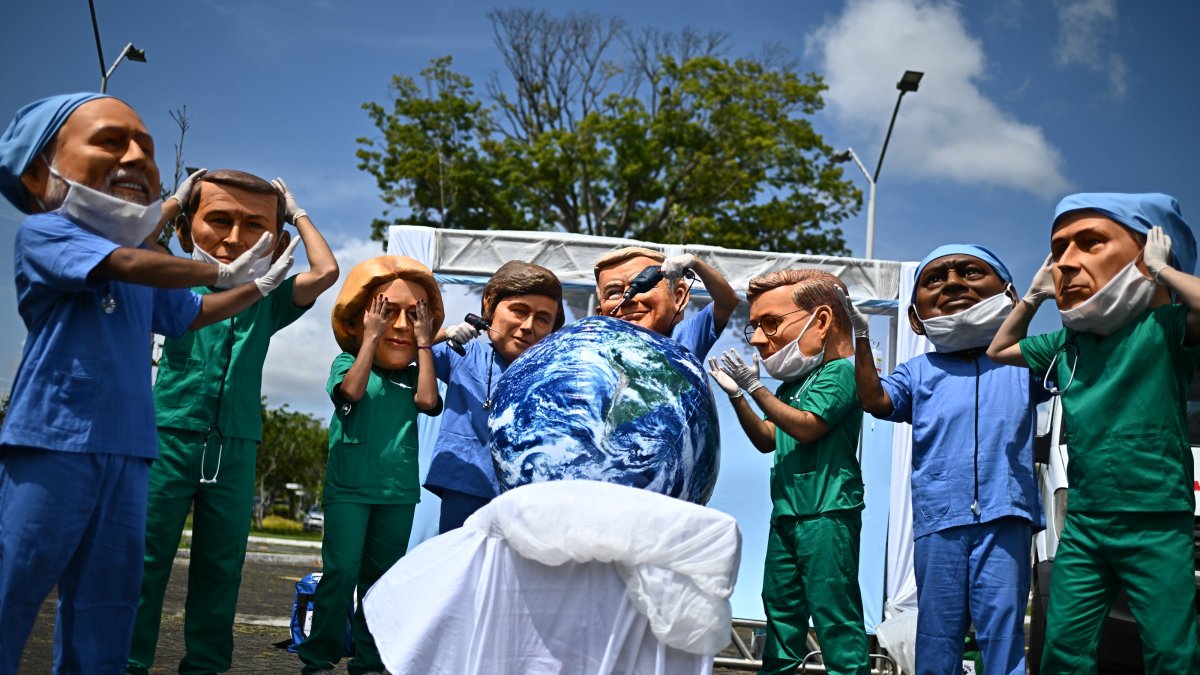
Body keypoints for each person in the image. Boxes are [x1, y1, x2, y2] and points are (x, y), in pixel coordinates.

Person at [0, 93, 297, 673]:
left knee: (107, 607)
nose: (136, 156)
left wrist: (252, 290)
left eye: (148, 149)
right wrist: (219, 267)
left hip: (132, 453)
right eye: (111, 142)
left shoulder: (140, 260)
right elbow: (128, 260)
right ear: (38, 172)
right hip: (54, 443)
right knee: (12, 591)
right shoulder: (47, 233)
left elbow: (190, 312)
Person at [126, 170, 339, 675]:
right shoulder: (173, 279)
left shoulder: (268, 296)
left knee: (221, 570)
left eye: (253, 227)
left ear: (277, 240)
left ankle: (205, 666)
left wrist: (297, 211)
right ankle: (127, 663)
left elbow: (326, 272)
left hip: (236, 444)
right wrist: (176, 200)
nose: (234, 239)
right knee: (144, 562)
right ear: (184, 232)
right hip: (167, 433)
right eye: (218, 220)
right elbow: (133, 240)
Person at [988, 193, 1200, 673]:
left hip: (1156, 519)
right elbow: (1001, 349)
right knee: (1063, 648)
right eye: (1058, 248)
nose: (1065, 262)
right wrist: (1034, 296)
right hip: (1085, 522)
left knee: (1171, 652)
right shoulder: (1067, 343)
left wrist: (1162, 271)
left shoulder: (1163, 328)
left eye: (1089, 242)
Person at [840, 245, 1044, 675]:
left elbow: (1086, 361)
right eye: (935, 279)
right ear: (915, 318)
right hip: (940, 520)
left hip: (1007, 514)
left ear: (1008, 295)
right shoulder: (918, 371)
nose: (953, 283)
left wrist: (1038, 301)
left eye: (970, 272)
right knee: (938, 632)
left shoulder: (1026, 360)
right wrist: (861, 338)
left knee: (1003, 632)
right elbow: (876, 400)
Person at [709, 270, 869, 675]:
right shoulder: (787, 389)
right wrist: (737, 396)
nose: (760, 339)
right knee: (779, 611)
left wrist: (755, 388)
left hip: (827, 514)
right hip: (788, 515)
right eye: (756, 326)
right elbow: (768, 437)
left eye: (771, 323)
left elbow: (807, 425)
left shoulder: (842, 373)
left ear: (821, 320)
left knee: (835, 616)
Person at [298, 255, 444, 675]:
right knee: (341, 573)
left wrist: (424, 338)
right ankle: (319, 656)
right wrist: (370, 335)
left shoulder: (416, 371)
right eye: (386, 311)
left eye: (412, 313)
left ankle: (369, 660)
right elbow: (352, 392)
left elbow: (428, 402)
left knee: (381, 582)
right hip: (349, 488)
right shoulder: (346, 363)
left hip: (396, 491)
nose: (398, 323)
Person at [427, 260, 564, 532]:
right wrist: (443, 334)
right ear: (489, 303)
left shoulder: (557, 374)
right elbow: (406, 348)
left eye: (542, 318)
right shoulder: (462, 354)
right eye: (519, 311)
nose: (528, 326)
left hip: (527, 496)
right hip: (463, 484)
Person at [594, 246, 739, 358]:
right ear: (600, 314)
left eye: (643, 285)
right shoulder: (594, 351)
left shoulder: (684, 337)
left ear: (678, 297)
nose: (627, 298)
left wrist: (695, 263)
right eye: (613, 292)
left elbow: (727, 301)